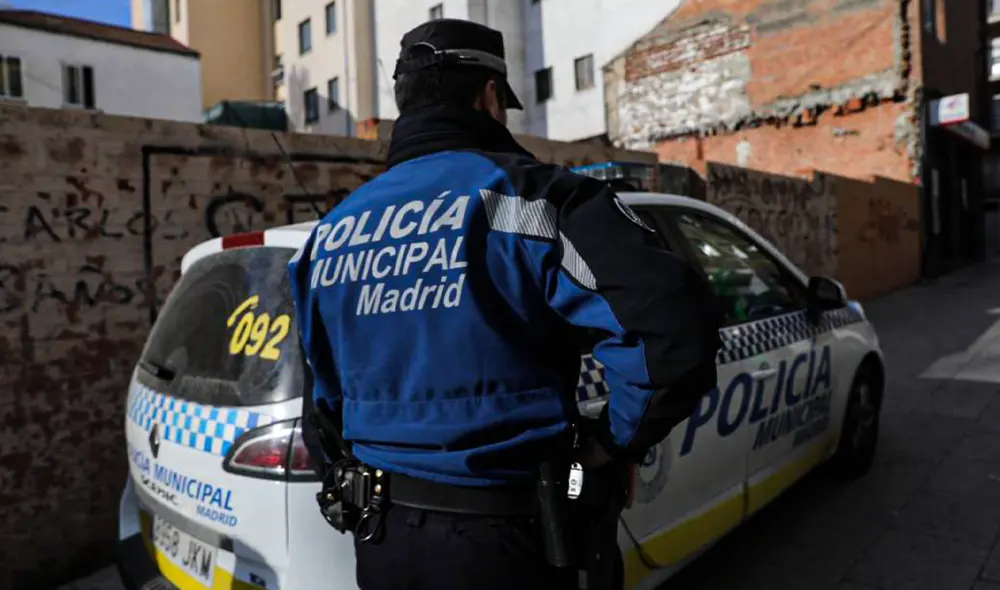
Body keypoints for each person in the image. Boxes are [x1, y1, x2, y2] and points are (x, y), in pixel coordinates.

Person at [287, 18, 722, 590]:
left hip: (382, 542)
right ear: (490, 97)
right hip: (510, 536)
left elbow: (319, 406)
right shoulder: (534, 197)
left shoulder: (329, 235)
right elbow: (671, 331)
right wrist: (610, 443)